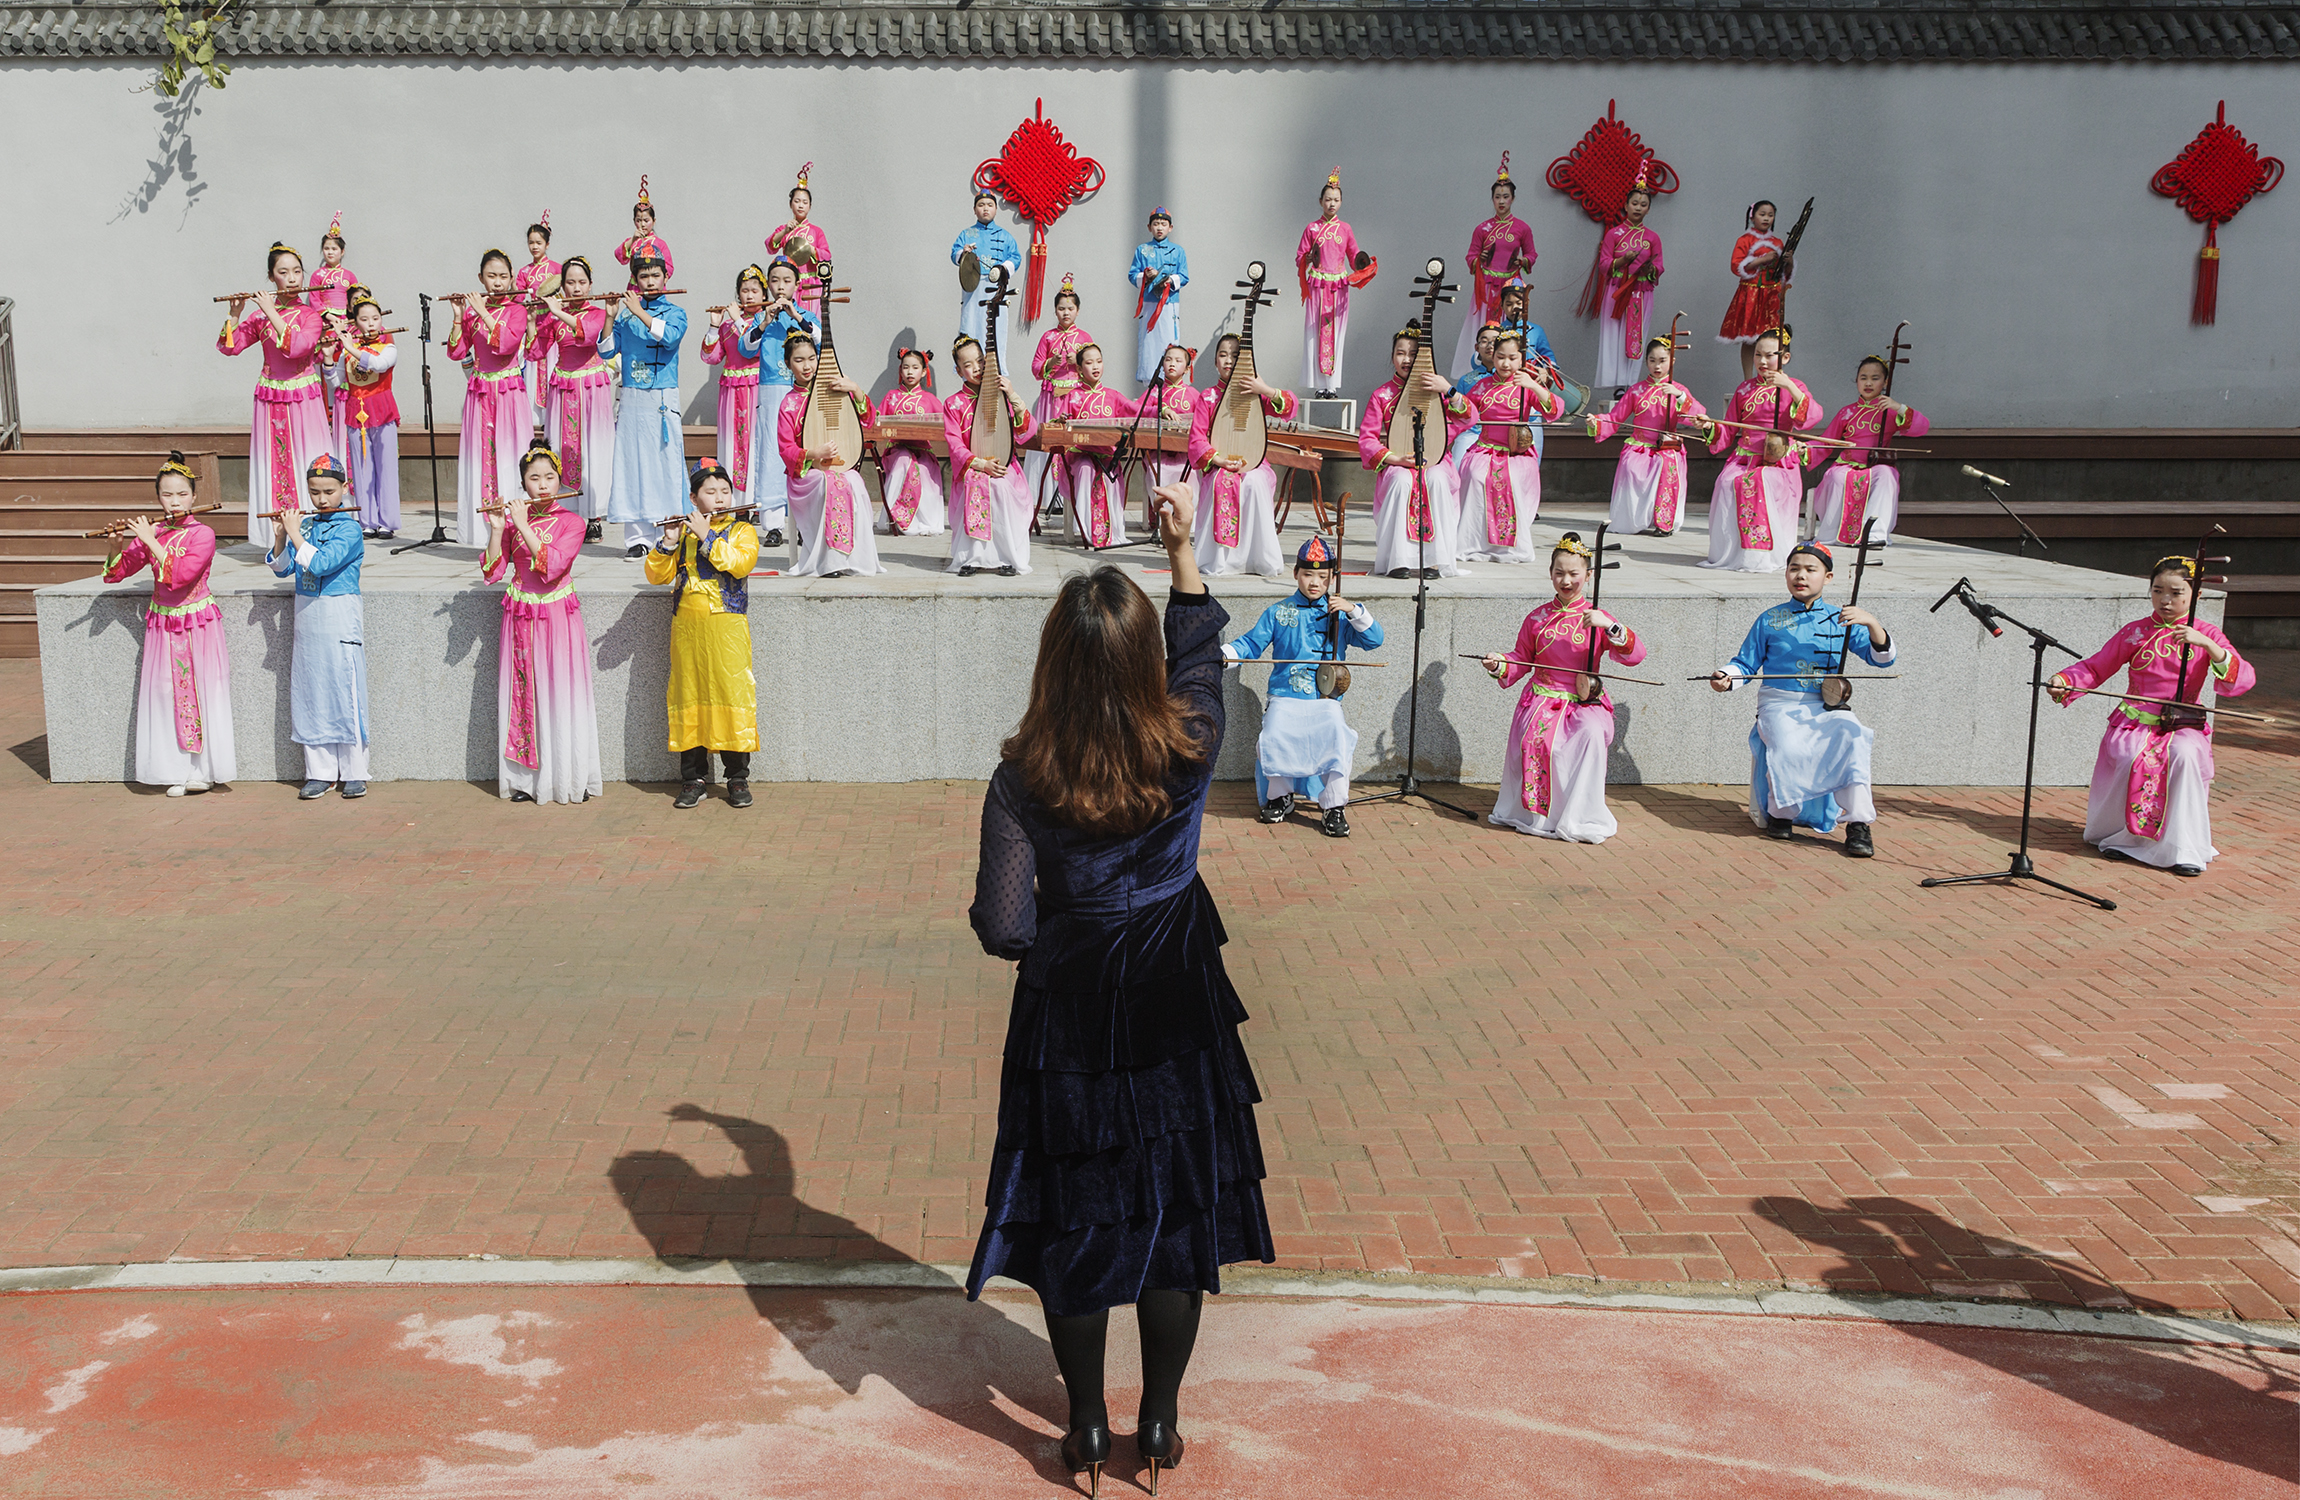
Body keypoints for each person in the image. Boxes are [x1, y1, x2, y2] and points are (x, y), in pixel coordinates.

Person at [965, 481, 1274, 1498]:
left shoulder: (1022, 777)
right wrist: (1181, 549)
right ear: (1136, 661)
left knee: (1076, 1215)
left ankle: (1087, 1429)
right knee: (1175, 1214)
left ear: (1052, 663)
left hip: (1071, 1010)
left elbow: (1004, 926)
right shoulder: (1183, 741)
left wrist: (1067, 920)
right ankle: (1165, 1423)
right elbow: (1199, 656)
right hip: (1177, 995)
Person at [2049, 557, 2257, 876]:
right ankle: (2121, 836)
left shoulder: (2207, 633)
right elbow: (2096, 666)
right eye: (2158, 591)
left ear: (2196, 595)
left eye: (2175, 593)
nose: (2165, 600)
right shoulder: (2136, 632)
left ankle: (2183, 846)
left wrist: (2207, 645)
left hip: (2182, 722)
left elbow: (2241, 676)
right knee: (2130, 754)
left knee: (2184, 755)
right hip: (2135, 720)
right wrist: (2066, 680)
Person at [1709, 543, 1896, 857]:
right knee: (1787, 745)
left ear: (1828, 576)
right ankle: (1782, 814)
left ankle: (1858, 825)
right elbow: (1744, 664)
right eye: (1794, 568)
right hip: (1779, 702)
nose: (1801, 576)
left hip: (1826, 704)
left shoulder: (1844, 618)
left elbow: (1883, 659)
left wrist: (1871, 623)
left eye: (1811, 570)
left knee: (1853, 735)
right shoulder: (1769, 619)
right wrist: (1725, 677)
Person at [1480, 533, 1645, 842]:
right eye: (1559, 573)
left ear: (1588, 575)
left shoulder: (1598, 617)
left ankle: (1580, 815)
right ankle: (1538, 816)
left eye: (1574, 574)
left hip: (1584, 700)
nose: (1566, 580)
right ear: (1550, 573)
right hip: (1541, 699)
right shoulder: (1537, 618)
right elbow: (1521, 659)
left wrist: (1608, 626)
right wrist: (1499, 663)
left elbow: (1636, 655)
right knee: (1544, 745)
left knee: (1593, 734)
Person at [1222, 534, 1380, 835]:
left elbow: (1375, 640)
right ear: (1296, 574)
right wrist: (1223, 655)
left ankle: (1334, 806)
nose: (1314, 583)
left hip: (1326, 700)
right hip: (1285, 694)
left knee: (1336, 733)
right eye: (1308, 574)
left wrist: (1352, 610)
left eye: (1323, 576)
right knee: (1276, 731)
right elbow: (1250, 644)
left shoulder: (1339, 615)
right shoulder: (1278, 612)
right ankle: (1280, 797)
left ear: (1332, 577)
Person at [101, 453, 235, 797]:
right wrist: (116, 545)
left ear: (193, 497)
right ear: (158, 497)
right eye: (166, 495)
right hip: (162, 624)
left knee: (201, 693)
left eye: (180, 495)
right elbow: (118, 573)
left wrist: (149, 541)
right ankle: (174, 769)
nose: (173, 502)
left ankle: (204, 771)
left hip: (196, 624)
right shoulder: (157, 530)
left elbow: (181, 576)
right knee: (165, 694)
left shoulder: (203, 533)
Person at [480, 443, 602, 805]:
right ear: (523, 484)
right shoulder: (516, 520)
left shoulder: (573, 522)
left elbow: (552, 568)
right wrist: (498, 528)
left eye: (550, 477)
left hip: (555, 616)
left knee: (558, 693)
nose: (543, 485)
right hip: (518, 614)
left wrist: (521, 525)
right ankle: (526, 781)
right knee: (523, 694)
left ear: (561, 481)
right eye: (534, 478)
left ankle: (563, 777)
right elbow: (492, 571)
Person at [643, 459, 760, 809]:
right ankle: (692, 778)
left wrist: (707, 535)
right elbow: (657, 576)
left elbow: (740, 563)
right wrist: (667, 542)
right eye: (711, 492)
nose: (721, 498)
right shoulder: (685, 534)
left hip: (727, 627)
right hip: (688, 628)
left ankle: (737, 778)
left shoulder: (742, 531)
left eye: (725, 491)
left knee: (732, 693)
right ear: (694, 499)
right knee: (688, 696)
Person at [267, 454, 371, 801]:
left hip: (339, 613)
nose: (322, 499)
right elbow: (283, 570)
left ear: (345, 488)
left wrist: (296, 533)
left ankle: (355, 771)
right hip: (307, 614)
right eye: (314, 492)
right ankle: (319, 772)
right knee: (312, 692)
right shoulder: (308, 525)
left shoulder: (350, 528)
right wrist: (283, 536)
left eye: (329, 491)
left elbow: (323, 563)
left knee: (344, 689)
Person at [219, 243, 329, 551]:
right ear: (272, 278)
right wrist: (234, 314)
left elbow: (297, 348)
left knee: (307, 458)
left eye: (297, 271)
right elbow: (230, 347)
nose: (292, 278)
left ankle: (313, 531)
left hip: (302, 397)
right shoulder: (258, 317)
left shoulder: (311, 316)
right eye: (283, 272)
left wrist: (269, 310)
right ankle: (277, 537)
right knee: (275, 462)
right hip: (269, 399)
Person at [1359, 323, 1475, 579]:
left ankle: (1435, 560)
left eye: (1413, 354)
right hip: (1398, 462)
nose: (1407, 359)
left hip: (1434, 462)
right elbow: (1367, 439)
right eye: (1401, 353)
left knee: (1436, 480)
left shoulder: (1437, 390)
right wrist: (1395, 459)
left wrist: (1448, 389)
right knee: (1401, 481)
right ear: (1392, 357)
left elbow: (1468, 417)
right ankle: (1396, 560)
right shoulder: (1382, 395)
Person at [1700, 326, 1818, 574]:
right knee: (1726, 482)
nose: (1762, 362)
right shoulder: (1744, 389)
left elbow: (1811, 417)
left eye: (1770, 355)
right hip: (1744, 458)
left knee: (1760, 480)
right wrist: (1711, 426)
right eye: (1757, 355)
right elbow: (1728, 431)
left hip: (1777, 462)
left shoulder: (1795, 386)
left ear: (1784, 357)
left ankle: (1762, 554)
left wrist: (1789, 388)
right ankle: (1731, 554)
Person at [776, 331, 883, 578]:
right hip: (805, 476)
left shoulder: (835, 390)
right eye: (799, 360)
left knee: (854, 481)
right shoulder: (788, 404)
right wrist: (813, 453)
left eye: (812, 358)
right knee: (829, 482)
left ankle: (855, 558)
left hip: (838, 470)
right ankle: (828, 561)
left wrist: (855, 389)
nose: (807, 366)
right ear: (788, 364)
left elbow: (869, 421)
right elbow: (785, 448)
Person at [444, 249, 531, 545]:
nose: (497, 282)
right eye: (491, 276)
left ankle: (515, 527)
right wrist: (458, 317)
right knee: (481, 455)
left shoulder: (518, 310)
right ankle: (482, 531)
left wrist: (481, 312)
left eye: (503, 276)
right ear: (480, 278)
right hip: (480, 391)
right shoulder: (469, 311)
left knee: (509, 453)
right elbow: (456, 352)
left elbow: (506, 344)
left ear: (511, 278)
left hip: (508, 389)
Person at [1187, 337, 1292, 579]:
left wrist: (1265, 390)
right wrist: (1218, 460)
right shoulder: (1208, 397)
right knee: (1221, 481)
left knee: (1254, 482)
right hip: (1219, 464)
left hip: (1254, 463)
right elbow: (1196, 439)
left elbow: (1288, 406)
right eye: (1223, 354)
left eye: (1235, 355)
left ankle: (1259, 559)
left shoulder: (1255, 393)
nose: (1229, 360)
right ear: (1215, 360)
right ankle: (1220, 560)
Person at [607, 255, 689, 558]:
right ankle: (636, 538)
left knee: (663, 463)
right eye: (644, 277)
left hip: (662, 396)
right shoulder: (625, 315)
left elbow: (669, 337)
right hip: (631, 396)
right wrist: (609, 316)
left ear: (665, 277)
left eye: (655, 275)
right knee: (632, 463)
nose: (650, 282)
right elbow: (606, 350)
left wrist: (639, 311)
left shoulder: (675, 311)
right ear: (635, 281)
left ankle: (665, 531)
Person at [1457, 332, 1563, 565]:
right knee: (1475, 476)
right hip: (1484, 449)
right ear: (1492, 357)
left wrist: (1533, 386)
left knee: (1512, 479)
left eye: (1513, 358)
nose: (1506, 363)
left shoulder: (1526, 385)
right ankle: (1473, 544)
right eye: (1500, 357)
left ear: (1522, 359)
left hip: (1517, 453)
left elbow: (1554, 411)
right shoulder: (1481, 386)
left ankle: (1511, 547)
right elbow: (1464, 413)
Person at [1588, 335, 1709, 537]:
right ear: (1646, 362)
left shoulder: (1679, 390)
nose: (1657, 366)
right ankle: (1633, 520)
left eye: (1662, 361)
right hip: (1640, 446)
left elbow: (1695, 416)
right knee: (1631, 466)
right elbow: (1616, 417)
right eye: (1652, 361)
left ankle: (1664, 523)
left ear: (1672, 361)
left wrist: (1679, 396)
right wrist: (1597, 421)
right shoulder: (1637, 390)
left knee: (1668, 463)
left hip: (1667, 446)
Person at [733, 259, 816, 548]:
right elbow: (745, 347)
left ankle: (802, 521)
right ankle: (772, 525)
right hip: (770, 393)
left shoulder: (805, 314)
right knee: (770, 453)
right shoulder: (760, 317)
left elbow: (818, 340)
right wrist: (766, 321)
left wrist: (796, 316)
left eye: (787, 281)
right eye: (775, 281)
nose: (781, 286)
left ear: (797, 285)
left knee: (802, 452)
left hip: (801, 393)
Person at [531, 256, 615, 539]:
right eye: (570, 283)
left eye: (582, 282)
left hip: (591, 386)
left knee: (593, 449)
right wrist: (535, 319)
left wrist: (557, 311)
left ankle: (594, 515)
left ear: (591, 285)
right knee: (564, 449)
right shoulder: (555, 315)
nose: (576, 288)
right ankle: (566, 512)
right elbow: (536, 351)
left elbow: (588, 335)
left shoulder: (597, 312)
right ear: (562, 286)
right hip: (563, 387)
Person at [1809, 355, 1931, 547]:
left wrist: (1898, 407)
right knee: (1836, 477)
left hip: (1876, 465)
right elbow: (1826, 441)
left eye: (1875, 378)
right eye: (1863, 377)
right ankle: (1831, 533)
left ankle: (1873, 534)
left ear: (1885, 382)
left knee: (1886, 474)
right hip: (1846, 464)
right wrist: (1800, 451)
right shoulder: (1846, 412)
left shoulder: (1889, 410)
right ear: (1856, 381)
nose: (1868, 383)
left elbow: (1922, 427)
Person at [943, 334, 1038, 578]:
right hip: (972, 468)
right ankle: (970, 558)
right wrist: (980, 464)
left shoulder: (1002, 395)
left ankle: (1006, 557)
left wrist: (1014, 396)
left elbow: (1025, 433)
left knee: (1001, 487)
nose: (976, 368)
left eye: (979, 361)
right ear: (958, 370)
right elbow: (954, 443)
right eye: (967, 365)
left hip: (1005, 467)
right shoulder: (953, 404)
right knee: (980, 484)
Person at [320, 286, 401, 540]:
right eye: (364, 319)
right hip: (357, 412)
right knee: (361, 466)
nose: (371, 324)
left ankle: (387, 521)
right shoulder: (348, 349)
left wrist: (350, 347)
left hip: (382, 408)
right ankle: (367, 521)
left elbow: (378, 365)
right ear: (356, 322)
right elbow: (337, 383)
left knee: (386, 466)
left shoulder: (388, 346)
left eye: (375, 318)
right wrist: (329, 359)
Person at [1452, 154, 1537, 379]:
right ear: (1492, 199)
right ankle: (1479, 371)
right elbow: (1470, 256)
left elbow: (1531, 253)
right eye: (1498, 197)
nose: (1501, 201)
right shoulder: (1482, 229)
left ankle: (1508, 370)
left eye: (1506, 197)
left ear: (1513, 199)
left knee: (1509, 327)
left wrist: (1522, 261)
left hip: (1510, 287)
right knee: (1483, 327)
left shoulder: (1522, 228)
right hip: (1487, 286)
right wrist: (1480, 258)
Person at [1296, 168, 1370, 398]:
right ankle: (1319, 384)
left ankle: (1332, 385)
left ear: (1341, 202)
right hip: (1318, 286)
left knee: (1336, 333)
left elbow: (1354, 255)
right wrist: (1307, 259)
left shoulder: (1345, 228)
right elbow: (1300, 256)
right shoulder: (1311, 228)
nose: (1332, 204)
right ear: (1320, 201)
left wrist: (1363, 265)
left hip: (1338, 287)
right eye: (1328, 199)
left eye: (1336, 200)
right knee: (1315, 332)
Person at [1058, 344, 1139, 549]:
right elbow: (1059, 425)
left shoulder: (1112, 395)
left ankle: (1111, 533)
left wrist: (1160, 409)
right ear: (1078, 369)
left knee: (1109, 475)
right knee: (1086, 469)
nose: (1095, 366)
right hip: (1079, 457)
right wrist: (1061, 421)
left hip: (1106, 457)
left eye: (1099, 361)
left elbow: (1136, 409)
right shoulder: (1072, 396)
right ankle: (1084, 528)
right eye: (1089, 362)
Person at [700, 266, 767, 512]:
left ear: (764, 293)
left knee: (755, 443)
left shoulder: (767, 320)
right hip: (730, 391)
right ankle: (735, 504)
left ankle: (758, 502)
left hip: (756, 390)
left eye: (754, 290)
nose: (749, 295)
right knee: (732, 444)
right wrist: (714, 327)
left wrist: (738, 320)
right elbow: (711, 358)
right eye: (744, 290)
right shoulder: (727, 324)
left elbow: (756, 348)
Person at [1025, 272, 1093, 512]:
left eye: (1070, 308)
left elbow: (1093, 369)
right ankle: (1045, 495)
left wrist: (1077, 363)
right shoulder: (1047, 337)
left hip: (1075, 397)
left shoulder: (1084, 338)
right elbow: (1035, 368)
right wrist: (1051, 363)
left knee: (1072, 441)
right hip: (1051, 398)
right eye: (1061, 308)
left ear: (1077, 311)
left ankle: (1069, 493)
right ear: (1055, 311)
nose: (1066, 312)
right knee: (1050, 441)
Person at [1592, 178, 1664, 396]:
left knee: (1635, 337)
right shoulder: (1613, 234)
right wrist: (1623, 261)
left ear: (1648, 209)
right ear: (1625, 205)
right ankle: (1617, 387)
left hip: (1641, 294)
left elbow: (1659, 266)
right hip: (1616, 293)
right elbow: (1604, 264)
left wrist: (1648, 269)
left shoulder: (1652, 238)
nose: (1638, 208)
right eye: (1634, 203)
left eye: (1643, 205)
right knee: (1614, 335)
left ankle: (1631, 384)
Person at [873, 347, 946, 536]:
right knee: (904, 460)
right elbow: (878, 421)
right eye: (905, 367)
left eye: (915, 368)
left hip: (923, 452)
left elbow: (944, 423)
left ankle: (919, 521)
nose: (910, 372)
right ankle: (895, 517)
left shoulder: (929, 399)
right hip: (897, 449)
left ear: (923, 372)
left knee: (920, 467)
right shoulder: (891, 396)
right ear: (900, 370)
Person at [955, 190, 1024, 378]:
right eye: (981, 205)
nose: (985, 209)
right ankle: (969, 368)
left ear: (995, 209)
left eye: (989, 205)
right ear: (974, 209)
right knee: (970, 325)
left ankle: (997, 367)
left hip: (996, 290)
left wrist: (1003, 268)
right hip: (973, 286)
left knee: (996, 329)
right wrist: (964, 253)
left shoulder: (1005, 235)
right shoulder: (966, 234)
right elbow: (955, 253)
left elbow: (1015, 257)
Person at [1719, 200, 1787, 380]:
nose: (1766, 218)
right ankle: (1748, 378)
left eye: (1770, 215)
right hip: (1750, 293)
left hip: (1771, 295)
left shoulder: (1778, 242)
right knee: (1749, 338)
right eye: (1762, 214)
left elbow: (1784, 273)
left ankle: (1771, 376)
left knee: (1770, 338)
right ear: (1752, 216)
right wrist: (1761, 260)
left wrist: (1789, 260)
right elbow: (1736, 266)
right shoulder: (1744, 240)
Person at [1129, 209, 1189, 386]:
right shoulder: (1142, 250)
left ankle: (1171, 383)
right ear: (1149, 227)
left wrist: (1168, 280)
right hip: (1149, 305)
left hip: (1169, 305)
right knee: (1148, 344)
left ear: (1170, 227)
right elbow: (1133, 275)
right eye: (1156, 224)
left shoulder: (1178, 251)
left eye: (1163, 224)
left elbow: (1184, 276)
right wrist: (1146, 276)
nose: (1159, 228)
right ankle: (1149, 385)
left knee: (1170, 342)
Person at [515, 213, 563, 428]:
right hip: (533, 325)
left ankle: (553, 414)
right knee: (533, 369)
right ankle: (535, 417)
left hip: (552, 325)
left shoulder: (556, 269)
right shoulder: (524, 271)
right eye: (531, 243)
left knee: (553, 366)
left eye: (538, 242)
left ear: (547, 243)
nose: (534, 247)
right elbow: (516, 296)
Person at [765, 163, 831, 314]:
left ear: (810, 206)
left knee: (809, 320)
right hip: (789, 283)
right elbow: (769, 246)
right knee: (788, 319)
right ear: (790, 204)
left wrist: (810, 250)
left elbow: (826, 255)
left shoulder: (816, 231)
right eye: (797, 201)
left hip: (811, 283)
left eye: (805, 202)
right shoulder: (785, 229)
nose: (801, 205)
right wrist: (784, 232)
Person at [1141, 342, 1204, 491]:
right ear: (1162, 364)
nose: (1172, 364)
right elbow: (1138, 410)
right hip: (1158, 452)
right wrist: (1161, 410)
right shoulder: (1155, 391)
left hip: (1185, 454)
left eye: (1178, 360)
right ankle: (1164, 513)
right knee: (1157, 473)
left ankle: (1185, 513)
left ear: (1188, 369)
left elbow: (1204, 419)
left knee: (1190, 479)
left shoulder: (1194, 394)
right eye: (1168, 359)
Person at [614, 176, 674, 286]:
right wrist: (633, 240)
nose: (642, 224)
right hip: (635, 287)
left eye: (646, 220)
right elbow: (619, 257)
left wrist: (656, 280)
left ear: (653, 221)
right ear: (634, 221)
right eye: (639, 220)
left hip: (654, 288)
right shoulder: (632, 241)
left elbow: (669, 267)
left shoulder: (660, 243)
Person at [308, 210, 358, 317]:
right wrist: (327, 316)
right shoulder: (317, 275)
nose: (330, 252)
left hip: (345, 319)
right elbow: (314, 298)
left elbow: (356, 298)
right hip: (325, 319)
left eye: (334, 249)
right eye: (326, 248)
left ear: (342, 251)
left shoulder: (350, 276)